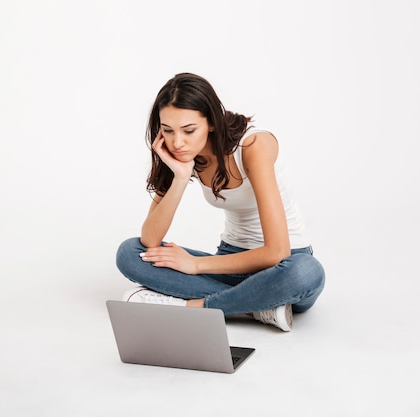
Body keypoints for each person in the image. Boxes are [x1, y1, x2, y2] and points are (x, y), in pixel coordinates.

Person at [115, 73, 325, 331]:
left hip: (283, 265)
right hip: (230, 261)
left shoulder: (253, 145)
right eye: (168, 130)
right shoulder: (183, 154)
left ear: (212, 122)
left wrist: (195, 265)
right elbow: (149, 239)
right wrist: (180, 177)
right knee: (130, 253)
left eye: (189, 130)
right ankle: (257, 306)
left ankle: (195, 307)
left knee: (307, 272)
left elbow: (277, 252)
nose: (177, 142)